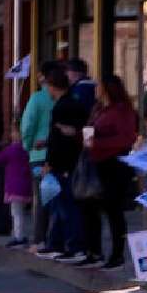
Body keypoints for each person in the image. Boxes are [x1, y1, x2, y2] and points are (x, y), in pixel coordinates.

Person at [76, 74, 138, 270]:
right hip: (95, 162)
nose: (95, 89)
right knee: (89, 207)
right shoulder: (99, 109)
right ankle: (93, 251)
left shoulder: (121, 111)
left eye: (99, 86)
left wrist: (99, 143)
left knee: (113, 211)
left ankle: (117, 254)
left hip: (114, 165)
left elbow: (126, 139)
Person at [37, 69, 88, 262]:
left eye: (47, 85)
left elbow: (61, 140)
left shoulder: (62, 107)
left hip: (64, 164)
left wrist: (49, 163)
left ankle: (73, 246)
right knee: (61, 205)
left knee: (66, 206)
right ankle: (58, 243)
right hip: (71, 161)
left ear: (53, 86)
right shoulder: (75, 104)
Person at [22, 61, 63, 247]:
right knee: (58, 198)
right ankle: (56, 240)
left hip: (39, 155)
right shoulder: (64, 97)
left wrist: (28, 145)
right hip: (60, 154)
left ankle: (40, 239)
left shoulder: (37, 99)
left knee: (41, 200)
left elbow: (28, 126)